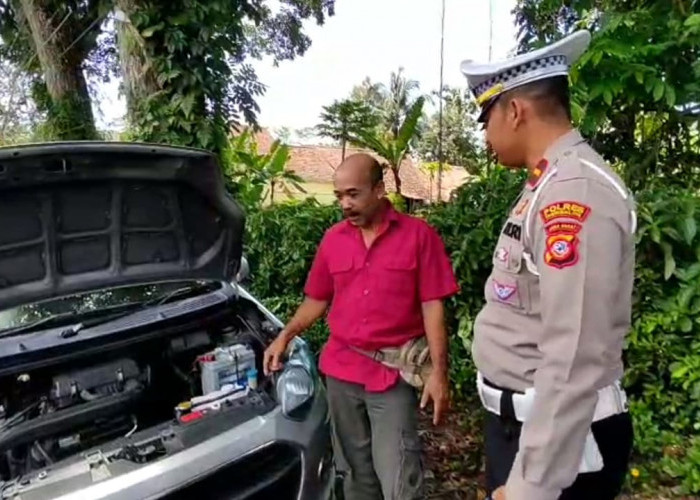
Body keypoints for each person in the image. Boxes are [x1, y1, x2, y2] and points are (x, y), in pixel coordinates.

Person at [460, 30, 636, 500]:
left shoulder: (574, 192)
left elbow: (575, 352)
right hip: (526, 429)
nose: (485, 135)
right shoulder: (546, 184)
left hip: (561, 446)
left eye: (485, 118)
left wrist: (530, 487)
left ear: (515, 111)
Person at [262, 153, 459, 500]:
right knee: (354, 474)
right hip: (341, 371)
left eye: (353, 194)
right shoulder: (333, 240)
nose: (345, 204)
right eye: (339, 196)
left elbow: (432, 306)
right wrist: (285, 335)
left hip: (391, 375)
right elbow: (316, 300)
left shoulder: (418, 236)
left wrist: (439, 372)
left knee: (400, 474)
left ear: (380, 190)